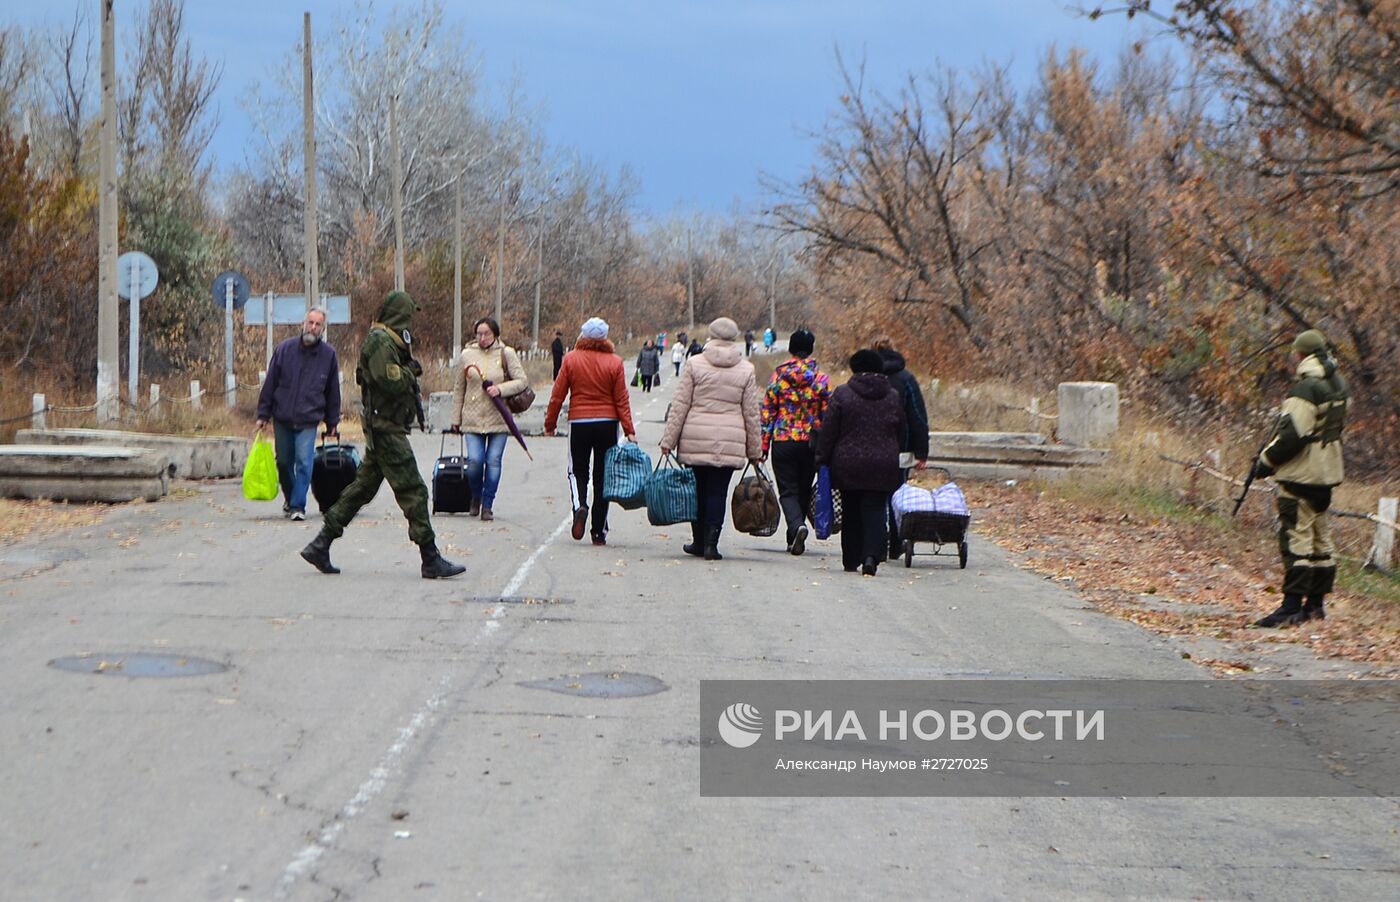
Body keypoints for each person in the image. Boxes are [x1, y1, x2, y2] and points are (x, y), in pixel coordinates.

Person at [300, 290, 465, 579]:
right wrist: (409, 372)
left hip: (386, 427)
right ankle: (430, 557)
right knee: (414, 490)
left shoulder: (390, 340)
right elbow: (389, 381)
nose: (410, 321)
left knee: (361, 489)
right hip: (386, 429)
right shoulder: (380, 342)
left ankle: (321, 544)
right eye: (407, 315)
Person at [1251, 329, 1349, 627]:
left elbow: (1293, 434)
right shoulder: (1339, 383)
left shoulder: (1306, 388)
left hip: (1301, 474)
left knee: (1296, 539)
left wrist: (1265, 462)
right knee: (1320, 540)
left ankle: (1290, 607)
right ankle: (1315, 606)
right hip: (1327, 472)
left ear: (1300, 354)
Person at [660, 317, 764, 561]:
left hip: (696, 437)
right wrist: (754, 450)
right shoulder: (746, 369)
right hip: (729, 440)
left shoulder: (694, 364)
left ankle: (698, 541)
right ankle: (711, 544)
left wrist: (668, 441)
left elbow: (680, 405)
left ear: (711, 335)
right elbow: (751, 413)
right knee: (718, 492)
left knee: (697, 491)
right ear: (734, 337)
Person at [544, 317, 637, 546]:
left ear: (583, 336)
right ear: (605, 338)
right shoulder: (615, 362)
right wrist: (629, 429)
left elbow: (557, 394)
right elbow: (621, 399)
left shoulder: (571, 359)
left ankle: (580, 506)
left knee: (577, 471)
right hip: (608, 423)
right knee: (603, 475)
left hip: (579, 422)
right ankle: (598, 531)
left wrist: (550, 423)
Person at [814, 349, 906, 576]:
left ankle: (851, 558)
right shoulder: (892, 396)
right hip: (883, 463)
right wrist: (898, 453)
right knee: (875, 509)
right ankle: (871, 556)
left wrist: (822, 458)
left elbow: (829, 430)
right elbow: (902, 430)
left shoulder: (843, 394)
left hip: (848, 462)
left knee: (851, 509)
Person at [255, 306, 341, 521]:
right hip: (282, 416)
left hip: (308, 419)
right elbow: (270, 383)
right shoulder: (285, 350)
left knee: (304, 461)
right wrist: (263, 414)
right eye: (310, 322)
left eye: (318, 324)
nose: (313, 327)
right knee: (284, 462)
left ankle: (297, 506)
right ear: (303, 324)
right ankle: (291, 497)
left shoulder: (328, 355)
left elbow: (332, 391)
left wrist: (332, 421)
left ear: (323, 329)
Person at [449, 317, 530, 521]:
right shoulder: (467, 355)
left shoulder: (506, 353)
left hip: (499, 418)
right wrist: (455, 418)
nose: (483, 338)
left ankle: (487, 504)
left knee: (493, 460)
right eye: (479, 334)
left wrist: (500, 389)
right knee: (475, 461)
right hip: (472, 418)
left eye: (487, 334)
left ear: (495, 334)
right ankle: (475, 496)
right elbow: (459, 388)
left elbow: (522, 381)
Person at [761, 328, 831, 555]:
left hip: (783, 440)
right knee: (803, 488)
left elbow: (768, 412)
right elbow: (827, 414)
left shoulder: (778, 377)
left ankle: (796, 527)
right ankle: (794, 535)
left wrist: (763, 444)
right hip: (811, 441)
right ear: (810, 350)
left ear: (791, 349)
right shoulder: (820, 379)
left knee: (787, 490)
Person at [875, 338, 931, 556]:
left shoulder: (868, 377)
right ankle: (897, 541)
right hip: (902, 447)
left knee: (875, 495)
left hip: (871, 447)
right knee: (897, 492)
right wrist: (921, 452)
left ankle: (878, 541)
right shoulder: (906, 379)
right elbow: (917, 416)